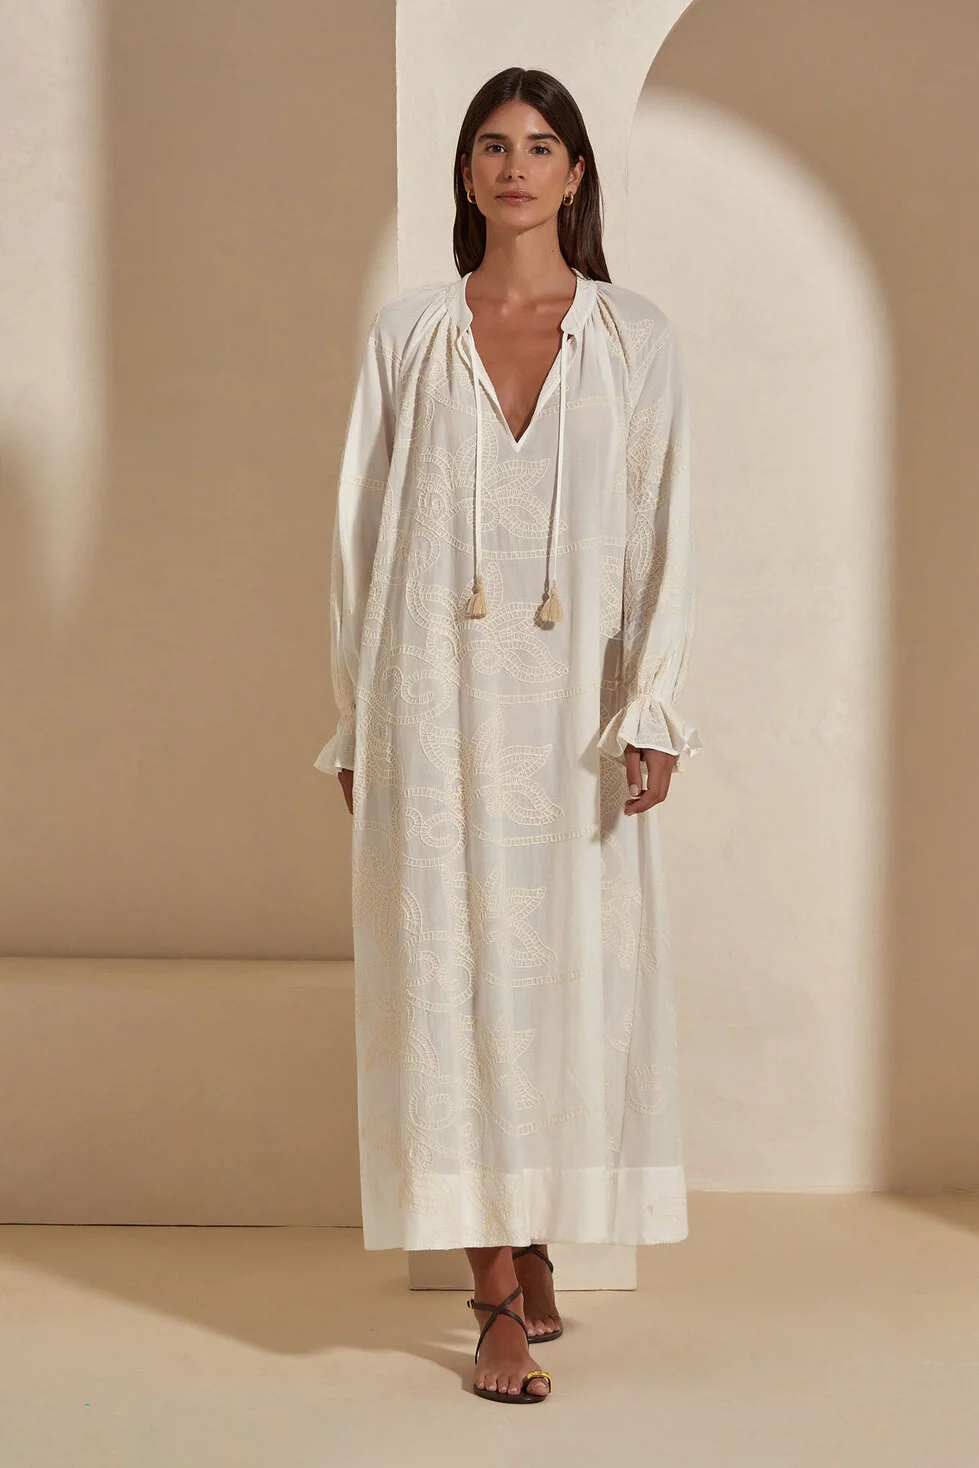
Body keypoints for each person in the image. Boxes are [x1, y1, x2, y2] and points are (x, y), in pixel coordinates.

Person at [314, 66, 702, 1404]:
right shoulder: (410, 334)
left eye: (540, 145)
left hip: (577, 714)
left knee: (563, 983)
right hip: (432, 699)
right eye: (492, 144)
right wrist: (357, 719)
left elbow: (664, 523)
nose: (515, 166)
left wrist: (653, 704)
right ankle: (491, 1293)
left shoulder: (634, 338)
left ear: (576, 172)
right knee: (452, 977)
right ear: (467, 173)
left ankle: (536, 1235)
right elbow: (360, 536)